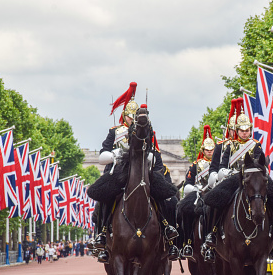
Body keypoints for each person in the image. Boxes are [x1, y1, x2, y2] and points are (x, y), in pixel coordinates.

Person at [90, 82, 178, 263]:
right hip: (119, 173)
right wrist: (114, 154)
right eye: (130, 118)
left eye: (134, 118)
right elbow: (103, 153)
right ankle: (102, 234)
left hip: (143, 172)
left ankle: (168, 229)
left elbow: (157, 157)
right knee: (103, 200)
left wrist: (152, 161)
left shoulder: (147, 133)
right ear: (125, 117)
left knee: (167, 198)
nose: (132, 121)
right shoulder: (115, 132)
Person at [203, 109, 273, 263]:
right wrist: (227, 172)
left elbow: (260, 163)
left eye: (247, 130)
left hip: (253, 179)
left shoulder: (256, 145)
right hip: (235, 178)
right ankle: (212, 233)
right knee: (214, 198)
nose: (245, 133)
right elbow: (222, 166)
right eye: (242, 131)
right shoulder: (230, 146)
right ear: (237, 131)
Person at [179, 125, 215, 258]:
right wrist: (197, 189)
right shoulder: (195, 165)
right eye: (207, 150)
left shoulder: (219, 164)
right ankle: (187, 242)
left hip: (215, 193)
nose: (210, 152)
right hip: (199, 194)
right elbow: (187, 185)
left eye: (212, 150)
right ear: (203, 150)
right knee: (186, 210)